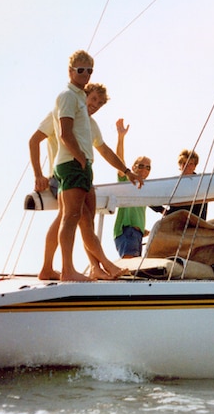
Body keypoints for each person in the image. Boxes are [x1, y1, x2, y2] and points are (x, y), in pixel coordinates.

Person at [52, 50, 143, 281]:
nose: (85, 74)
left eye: (89, 71)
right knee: (71, 217)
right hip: (72, 164)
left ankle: (99, 267)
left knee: (86, 220)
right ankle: (67, 270)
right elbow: (60, 133)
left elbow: (104, 149)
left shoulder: (87, 120)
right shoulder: (68, 97)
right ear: (71, 71)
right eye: (80, 70)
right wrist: (79, 158)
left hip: (82, 166)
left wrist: (126, 171)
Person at [29, 82, 135, 279]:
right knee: (79, 218)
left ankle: (68, 267)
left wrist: (126, 171)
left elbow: (104, 150)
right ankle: (101, 265)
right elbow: (34, 140)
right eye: (93, 98)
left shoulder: (90, 124)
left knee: (81, 220)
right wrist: (38, 174)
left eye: (101, 103)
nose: (96, 104)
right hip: (65, 173)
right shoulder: (63, 112)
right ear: (84, 95)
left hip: (83, 173)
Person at [113, 118, 152, 258]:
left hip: (137, 234)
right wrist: (121, 137)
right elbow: (119, 161)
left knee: (134, 271)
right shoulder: (127, 179)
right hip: (127, 232)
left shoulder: (146, 189)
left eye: (148, 167)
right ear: (134, 167)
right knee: (130, 270)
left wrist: (142, 228)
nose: (144, 169)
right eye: (141, 165)